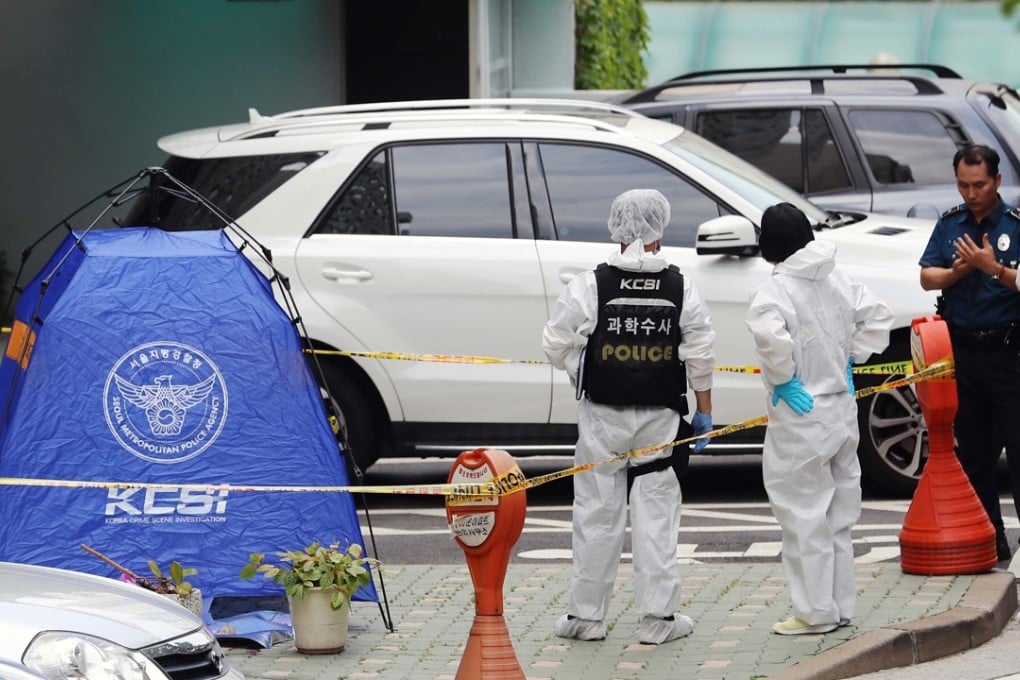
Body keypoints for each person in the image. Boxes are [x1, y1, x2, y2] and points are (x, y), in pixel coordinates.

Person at [542, 188, 716, 645]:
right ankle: (659, 621)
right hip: (661, 419)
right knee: (657, 515)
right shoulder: (681, 287)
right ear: (660, 228)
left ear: (616, 227)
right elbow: (699, 354)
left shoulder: (590, 284)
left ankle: (585, 620)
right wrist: (706, 413)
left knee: (597, 515)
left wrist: (587, 366)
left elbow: (554, 343)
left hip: (601, 418)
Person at [746, 203, 892, 635]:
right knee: (838, 517)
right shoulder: (838, 277)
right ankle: (840, 606)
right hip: (841, 408)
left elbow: (771, 339)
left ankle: (814, 613)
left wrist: (785, 378)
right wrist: (849, 357)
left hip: (800, 413)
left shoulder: (775, 291)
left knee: (802, 516)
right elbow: (879, 316)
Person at [919, 144, 1020, 562]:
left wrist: (992, 267)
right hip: (963, 354)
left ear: (997, 181)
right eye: (963, 184)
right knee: (975, 453)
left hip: (1009, 352)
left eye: (979, 184)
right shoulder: (950, 225)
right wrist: (959, 271)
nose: (971, 193)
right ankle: (988, 536)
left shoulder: (1014, 225)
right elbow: (928, 277)